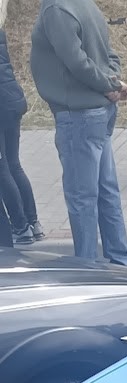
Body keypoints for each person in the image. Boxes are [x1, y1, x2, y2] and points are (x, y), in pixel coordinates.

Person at [29, 0, 127, 265]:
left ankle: (87, 268)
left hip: (79, 114)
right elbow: (110, 54)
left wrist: (108, 85)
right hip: (99, 111)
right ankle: (120, 261)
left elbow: (76, 62)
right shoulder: (85, 4)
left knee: (81, 198)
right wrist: (112, 82)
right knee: (106, 191)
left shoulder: (56, 9)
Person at [0, 21, 44, 245]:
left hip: (2, 104)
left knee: (2, 169)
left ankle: (20, 226)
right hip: (12, 99)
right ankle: (33, 223)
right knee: (13, 164)